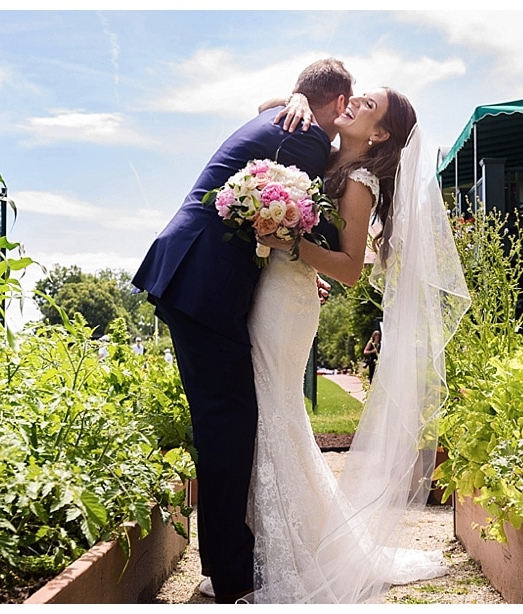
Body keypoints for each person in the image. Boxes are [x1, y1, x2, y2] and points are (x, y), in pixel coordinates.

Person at [131, 58, 354, 604]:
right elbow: (320, 219)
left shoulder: (283, 118)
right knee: (227, 426)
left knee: (228, 423)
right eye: (349, 106)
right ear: (339, 105)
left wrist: (286, 99)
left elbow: (279, 222)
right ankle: (231, 577)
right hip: (202, 285)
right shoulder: (305, 140)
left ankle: (232, 560)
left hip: (198, 279)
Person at [246, 88, 471, 603]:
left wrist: (288, 243)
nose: (352, 103)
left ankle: (287, 549)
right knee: (274, 410)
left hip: (289, 303)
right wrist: (298, 97)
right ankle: (294, 535)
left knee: (273, 407)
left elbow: (349, 269)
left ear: (380, 133)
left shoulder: (359, 182)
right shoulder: (326, 158)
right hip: (281, 289)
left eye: (366, 105)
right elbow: (263, 109)